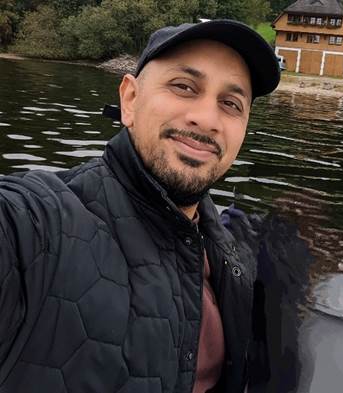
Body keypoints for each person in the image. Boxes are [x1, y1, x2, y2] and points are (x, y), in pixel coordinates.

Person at [0, 20, 280, 393]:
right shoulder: (36, 224)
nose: (207, 119)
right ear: (129, 100)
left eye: (230, 104)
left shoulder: (226, 248)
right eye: (183, 86)